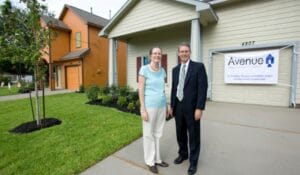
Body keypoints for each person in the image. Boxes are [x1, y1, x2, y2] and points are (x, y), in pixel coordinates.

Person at [170, 43, 208, 175]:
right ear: (178, 53)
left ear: (190, 52)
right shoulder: (175, 70)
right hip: (178, 107)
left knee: (193, 135)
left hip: (192, 108)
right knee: (180, 133)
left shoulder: (198, 67)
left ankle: (193, 161)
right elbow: (174, 88)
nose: (184, 53)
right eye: (181, 51)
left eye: (186, 51)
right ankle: (183, 154)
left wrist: (199, 108)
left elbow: (202, 89)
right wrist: (172, 106)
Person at [138, 46, 169, 174]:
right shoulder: (144, 70)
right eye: (155, 53)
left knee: (158, 133)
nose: (157, 55)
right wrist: (143, 108)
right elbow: (140, 89)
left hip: (161, 105)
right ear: (150, 56)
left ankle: (157, 159)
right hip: (149, 106)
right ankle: (150, 161)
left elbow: (163, 89)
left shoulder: (162, 71)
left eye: (159, 53)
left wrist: (167, 105)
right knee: (148, 134)